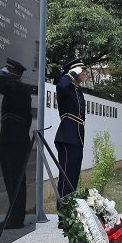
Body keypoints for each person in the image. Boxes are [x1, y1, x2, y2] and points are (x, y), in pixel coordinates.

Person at [0, 58, 33, 230]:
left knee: (14, 181)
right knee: (13, 181)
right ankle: (14, 216)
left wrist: (2, 72)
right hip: (14, 140)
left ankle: (15, 219)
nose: (5, 73)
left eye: (8, 71)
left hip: (14, 141)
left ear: (13, 74)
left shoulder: (17, 88)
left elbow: (0, 84)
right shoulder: (17, 89)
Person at [55, 59, 86, 206]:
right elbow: (60, 85)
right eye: (82, 70)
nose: (85, 73)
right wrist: (71, 74)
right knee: (66, 175)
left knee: (73, 175)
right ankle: (63, 212)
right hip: (67, 136)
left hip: (78, 136)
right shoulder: (66, 87)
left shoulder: (77, 90)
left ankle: (71, 210)